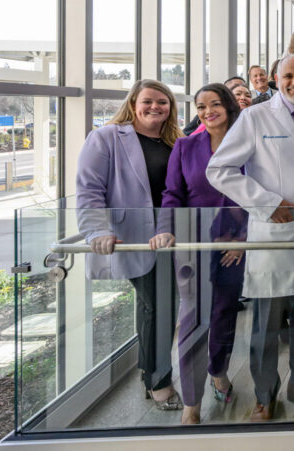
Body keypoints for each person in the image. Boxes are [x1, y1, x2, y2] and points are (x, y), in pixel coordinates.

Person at [206, 54, 294, 421]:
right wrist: (266, 202)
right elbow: (219, 170)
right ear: (277, 79)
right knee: (265, 329)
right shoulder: (255, 117)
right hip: (273, 237)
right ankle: (264, 396)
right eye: (289, 76)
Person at [76, 80, 184, 411]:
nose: (156, 107)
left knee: (154, 306)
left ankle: (148, 369)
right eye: (148, 101)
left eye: (163, 102)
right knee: (159, 306)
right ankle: (159, 380)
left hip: (170, 236)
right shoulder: (106, 137)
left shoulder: (176, 141)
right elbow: (89, 189)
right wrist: (95, 232)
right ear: (133, 103)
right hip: (131, 237)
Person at [158, 83, 246, 424]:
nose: (208, 111)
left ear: (227, 106)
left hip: (231, 246)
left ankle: (218, 370)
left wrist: (243, 238)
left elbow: (259, 191)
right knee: (192, 318)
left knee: (224, 314)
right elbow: (171, 194)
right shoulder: (184, 146)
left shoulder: (246, 143)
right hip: (194, 245)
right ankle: (191, 402)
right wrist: (166, 228)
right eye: (201, 106)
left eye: (214, 104)